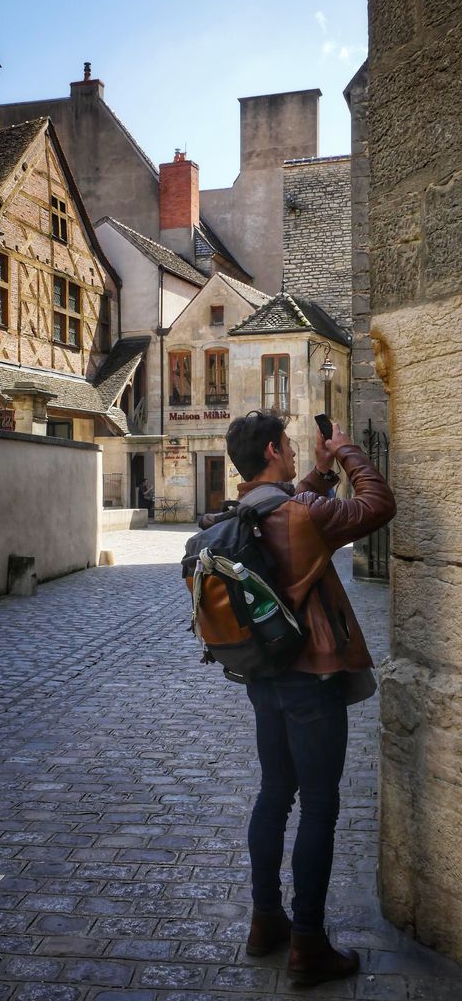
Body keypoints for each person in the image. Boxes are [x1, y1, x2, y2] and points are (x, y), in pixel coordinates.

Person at [223, 409, 396, 987]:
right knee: (319, 804)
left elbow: (294, 510)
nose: (297, 451)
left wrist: (319, 474)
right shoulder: (299, 513)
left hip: (265, 677)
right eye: (290, 445)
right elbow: (378, 505)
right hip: (312, 679)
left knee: (275, 793)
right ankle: (308, 944)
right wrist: (346, 452)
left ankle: (265, 921)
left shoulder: (245, 511)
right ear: (273, 451)